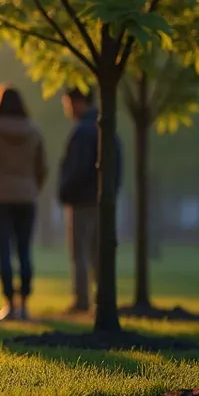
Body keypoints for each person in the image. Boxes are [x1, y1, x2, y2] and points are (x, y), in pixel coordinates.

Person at [0, 84, 47, 321]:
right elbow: (42, 167)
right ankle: (25, 303)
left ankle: (9, 303)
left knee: (4, 250)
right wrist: (32, 187)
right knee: (25, 250)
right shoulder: (34, 132)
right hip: (26, 196)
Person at [58, 86, 122, 313]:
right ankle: (103, 297)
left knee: (80, 252)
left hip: (82, 200)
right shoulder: (105, 127)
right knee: (98, 252)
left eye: (68, 103)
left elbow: (77, 168)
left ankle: (82, 299)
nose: (67, 109)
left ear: (77, 101)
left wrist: (65, 191)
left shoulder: (82, 131)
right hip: (101, 199)